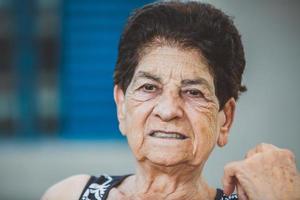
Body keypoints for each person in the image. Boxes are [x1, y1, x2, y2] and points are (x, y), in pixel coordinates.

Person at [42, 1, 300, 200]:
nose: (168, 111)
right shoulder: (71, 194)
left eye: (194, 92)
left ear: (225, 119)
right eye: (149, 87)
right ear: (122, 106)